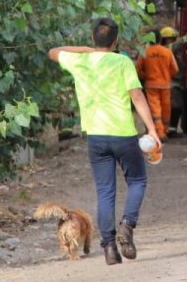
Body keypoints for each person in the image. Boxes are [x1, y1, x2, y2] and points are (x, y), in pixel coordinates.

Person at [49, 17, 162, 266]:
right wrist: (152, 130)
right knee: (137, 180)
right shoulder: (122, 62)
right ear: (116, 40)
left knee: (105, 191)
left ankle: (109, 248)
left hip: (96, 137)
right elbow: (137, 96)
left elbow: (53, 51)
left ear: (93, 39)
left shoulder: (80, 61)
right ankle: (127, 226)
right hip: (123, 134)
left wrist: (87, 51)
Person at [136, 26, 180, 142]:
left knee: (155, 109)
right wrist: (166, 75)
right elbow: (175, 70)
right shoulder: (167, 52)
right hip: (165, 85)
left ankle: (159, 133)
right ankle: (164, 131)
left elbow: (138, 70)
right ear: (161, 39)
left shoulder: (145, 52)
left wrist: (146, 76)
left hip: (151, 85)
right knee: (166, 109)